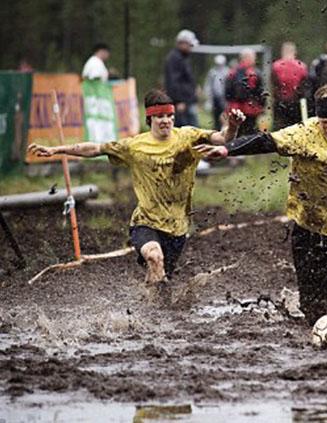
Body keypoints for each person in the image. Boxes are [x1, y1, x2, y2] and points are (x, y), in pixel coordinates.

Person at [196, 85, 327, 325]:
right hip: (308, 227)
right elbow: (266, 142)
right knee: (313, 306)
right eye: (324, 122)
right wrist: (226, 149)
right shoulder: (303, 134)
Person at [27, 89, 245, 295]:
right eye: (159, 116)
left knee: (159, 278)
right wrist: (56, 150)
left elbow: (222, 138)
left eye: (169, 115)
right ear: (150, 119)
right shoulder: (135, 146)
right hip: (146, 222)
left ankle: (150, 312)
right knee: (154, 257)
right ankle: (156, 313)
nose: (165, 121)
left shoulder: (189, 135)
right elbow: (96, 148)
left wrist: (233, 126)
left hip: (178, 226)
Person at [226, 48, 265, 136]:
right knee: (249, 131)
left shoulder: (232, 72)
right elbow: (259, 92)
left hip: (236, 107)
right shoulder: (253, 73)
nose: (255, 60)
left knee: (236, 131)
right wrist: (261, 105)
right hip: (249, 107)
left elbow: (227, 91)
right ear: (246, 58)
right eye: (253, 57)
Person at [165, 29, 200, 127]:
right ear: (182, 43)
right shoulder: (175, 58)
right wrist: (179, 100)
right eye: (190, 45)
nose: (191, 47)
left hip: (187, 101)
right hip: (182, 103)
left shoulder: (183, 58)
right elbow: (173, 81)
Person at [272, 42, 308, 129]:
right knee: (296, 128)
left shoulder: (276, 66)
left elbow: (273, 85)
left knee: (280, 129)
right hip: (296, 102)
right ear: (295, 52)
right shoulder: (302, 66)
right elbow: (304, 86)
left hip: (280, 101)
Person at [204, 55, 229, 131]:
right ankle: (216, 131)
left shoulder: (227, 71)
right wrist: (208, 98)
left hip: (224, 97)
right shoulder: (212, 72)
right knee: (215, 116)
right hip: (215, 97)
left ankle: (224, 131)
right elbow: (208, 85)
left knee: (224, 116)